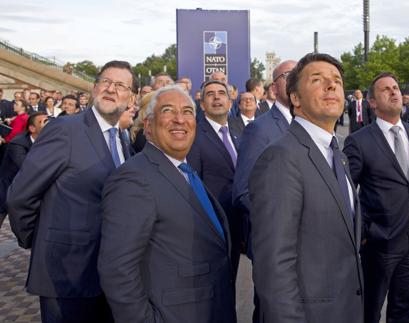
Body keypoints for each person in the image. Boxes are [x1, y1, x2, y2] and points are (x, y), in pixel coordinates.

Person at [7, 60, 136, 323]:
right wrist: (41, 240)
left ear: (131, 97)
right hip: (65, 272)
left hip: (108, 275)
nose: (111, 89)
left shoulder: (122, 139)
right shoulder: (65, 129)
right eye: (106, 82)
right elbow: (21, 195)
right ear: (94, 87)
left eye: (120, 85)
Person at [98, 85, 236, 323]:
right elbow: (117, 270)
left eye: (187, 112)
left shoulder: (184, 171)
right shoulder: (134, 179)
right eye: (168, 111)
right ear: (148, 126)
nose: (180, 120)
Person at [249, 53, 363, 323]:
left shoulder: (337, 153)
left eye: (336, 80)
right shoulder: (281, 157)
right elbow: (274, 265)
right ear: (295, 98)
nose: (331, 85)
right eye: (317, 79)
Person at [344, 72, 409, 323]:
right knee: (369, 310)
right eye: (385, 89)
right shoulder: (359, 141)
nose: (394, 92)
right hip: (380, 242)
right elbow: (347, 193)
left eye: (395, 87)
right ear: (372, 102)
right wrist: (364, 232)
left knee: (404, 308)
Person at [232, 59, 296, 323]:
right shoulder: (261, 129)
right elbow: (243, 191)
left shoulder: (314, 125)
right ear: (274, 86)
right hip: (275, 245)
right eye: (290, 74)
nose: (297, 78)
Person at [188, 80, 242, 280]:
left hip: (237, 224)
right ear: (202, 104)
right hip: (212, 227)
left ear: (230, 102)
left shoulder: (238, 131)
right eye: (210, 94)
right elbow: (194, 185)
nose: (217, 97)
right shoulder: (194, 135)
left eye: (221, 93)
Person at [0, 111, 48, 228]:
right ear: (32, 128)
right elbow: (27, 167)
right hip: (8, 188)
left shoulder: (49, 142)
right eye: (43, 122)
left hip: (30, 191)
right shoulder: (18, 143)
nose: (48, 124)